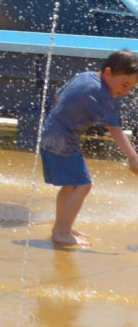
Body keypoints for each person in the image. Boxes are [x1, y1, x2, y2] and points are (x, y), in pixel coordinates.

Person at [39, 49, 138, 249]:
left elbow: (58, 96)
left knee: (70, 185)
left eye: (131, 88)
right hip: (63, 138)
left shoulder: (84, 76)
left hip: (51, 132)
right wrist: (133, 157)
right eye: (125, 85)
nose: (126, 92)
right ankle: (62, 232)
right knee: (83, 185)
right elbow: (114, 129)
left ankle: (62, 227)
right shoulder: (101, 93)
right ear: (108, 73)